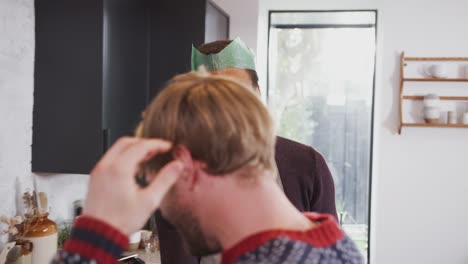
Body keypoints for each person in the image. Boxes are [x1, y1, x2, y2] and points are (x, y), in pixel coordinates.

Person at [53, 71, 362, 264]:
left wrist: (98, 233)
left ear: (184, 166)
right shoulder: (327, 239)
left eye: (162, 194)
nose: (167, 215)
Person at [156, 38, 338, 264]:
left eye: (237, 94)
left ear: (257, 93)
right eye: (211, 100)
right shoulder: (178, 178)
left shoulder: (308, 166)